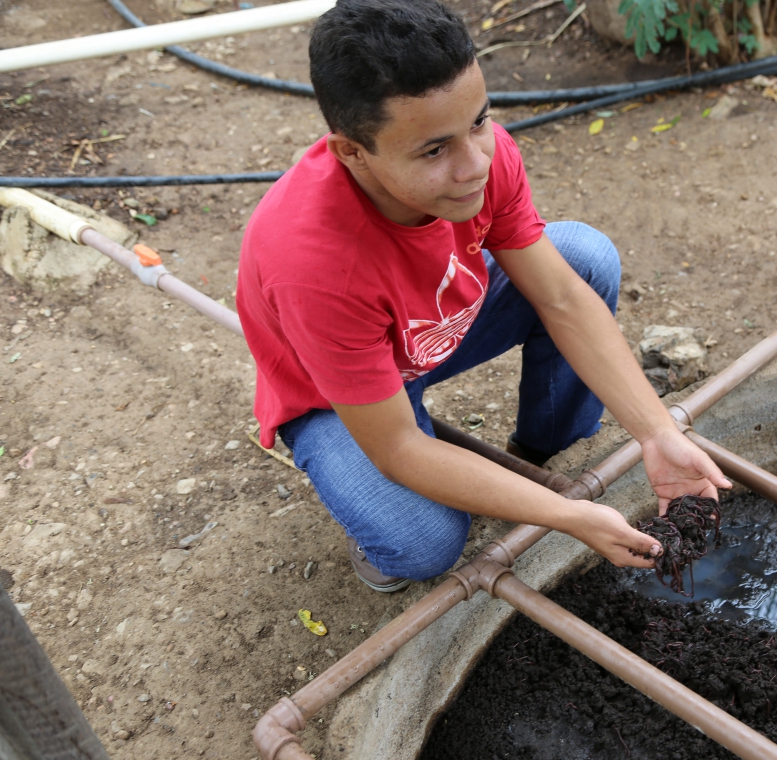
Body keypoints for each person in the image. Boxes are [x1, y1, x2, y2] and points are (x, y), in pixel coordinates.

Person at [236, 0, 730, 593]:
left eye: (479, 120)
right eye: (433, 150)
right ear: (352, 152)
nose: (475, 164)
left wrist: (659, 434)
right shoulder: (314, 264)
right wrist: (568, 516)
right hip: (331, 396)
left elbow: (564, 300)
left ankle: (545, 447)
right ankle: (378, 532)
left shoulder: (478, 158)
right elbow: (396, 446)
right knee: (422, 545)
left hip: (427, 330)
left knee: (583, 259)